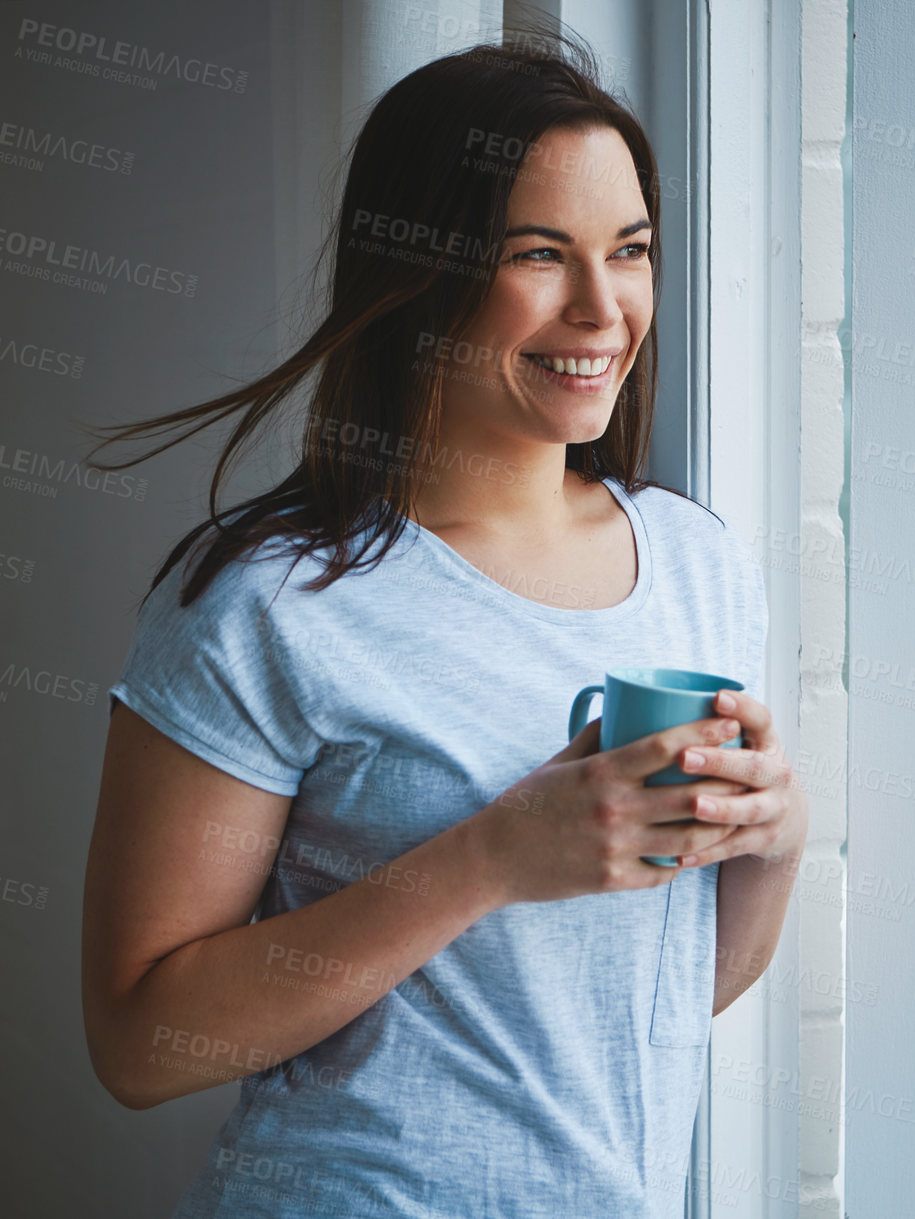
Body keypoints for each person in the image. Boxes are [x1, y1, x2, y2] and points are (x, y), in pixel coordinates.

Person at [77, 24, 807, 1218]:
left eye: (630, 250)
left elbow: (653, 1001)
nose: (601, 306)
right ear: (415, 271)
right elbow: (139, 1042)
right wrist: (491, 858)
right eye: (538, 254)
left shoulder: (697, 563)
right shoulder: (270, 602)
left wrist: (773, 840)